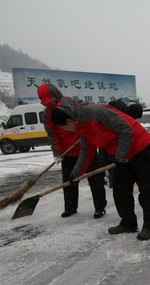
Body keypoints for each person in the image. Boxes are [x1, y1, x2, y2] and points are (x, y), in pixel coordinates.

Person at [50, 96, 150, 241]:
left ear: (69, 121)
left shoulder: (97, 112)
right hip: (121, 155)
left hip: (140, 148)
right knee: (120, 189)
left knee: (146, 190)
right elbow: (86, 152)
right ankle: (128, 222)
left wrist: (120, 157)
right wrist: (75, 174)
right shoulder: (81, 126)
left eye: (63, 127)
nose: (65, 130)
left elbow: (125, 129)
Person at [37, 83, 107, 219]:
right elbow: (52, 134)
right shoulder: (46, 115)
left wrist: (87, 133)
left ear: (56, 96)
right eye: (47, 104)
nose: (50, 106)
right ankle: (70, 207)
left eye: (52, 102)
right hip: (67, 152)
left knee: (95, 179)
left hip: (86, 148)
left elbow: (88, 113)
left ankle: (100, 207)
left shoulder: (73, 103)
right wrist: (57, 153)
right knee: (69, 181)